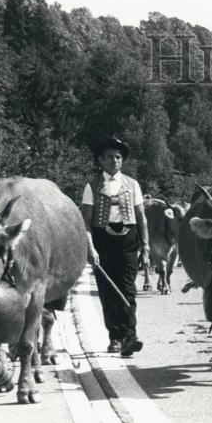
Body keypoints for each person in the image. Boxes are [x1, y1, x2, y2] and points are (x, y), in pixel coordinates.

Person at [81, 136, 150, 357]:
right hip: (103, 241)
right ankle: (115, 337)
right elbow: (86, 221)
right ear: (101, 160)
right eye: (109, 157)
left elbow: (141, 217)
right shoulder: (92, 186)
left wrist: (146, 248)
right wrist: (91, 248)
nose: (114, 161)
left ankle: (130, 335)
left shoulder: (133, 184)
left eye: (118, 157)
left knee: (127, 288)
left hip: (128, 240)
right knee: (107, 291)